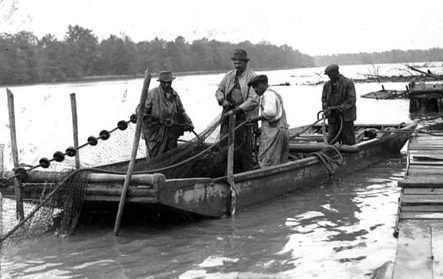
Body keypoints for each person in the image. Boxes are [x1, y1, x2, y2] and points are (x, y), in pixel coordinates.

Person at [216, 48, 259, 171]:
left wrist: (238, 109)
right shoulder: (229, 75)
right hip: (228, 114)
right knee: (224, 142)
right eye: (235, 63)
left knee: (244, 145)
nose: (237, 65)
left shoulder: (252, 77)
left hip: (244, 117)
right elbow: (219, 90)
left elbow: (253, 99)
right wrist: (222, 100)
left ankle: (243, 170)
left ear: (246, 63)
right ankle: (224, 169)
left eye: (239, 63)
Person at [140, 70, 194, 159]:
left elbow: (182, 112)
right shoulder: (152, 94)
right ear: (160, 82)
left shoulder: (175, 95)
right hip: (155, 134)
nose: (167, 85)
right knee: (155, 157)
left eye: (169, 83)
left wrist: (189, 123)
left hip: (171, 133)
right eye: (164, 83)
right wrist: (157, 120)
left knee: (171, 156)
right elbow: (141, 111)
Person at [248, 75, 289, 167]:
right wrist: (262, 128)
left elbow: (270, 113)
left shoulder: (268, 94)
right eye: (253, 87)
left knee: (268, 161)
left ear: (264, 84)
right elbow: (276, 116)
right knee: (281, 162)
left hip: (274, 133)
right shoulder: (274, 93)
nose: (255, 89)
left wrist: (255, 119)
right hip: (282, 130)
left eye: (256, 86)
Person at [321, 64, 357, 145]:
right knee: (331, 140)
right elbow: (324, 99)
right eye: (328, 75)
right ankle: (331, 154)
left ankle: (350, 155)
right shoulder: (327, 85)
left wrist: (338, 108)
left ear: (336, 72)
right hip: (332, 118)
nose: (329, 76)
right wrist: (326, 108)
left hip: (346, 118)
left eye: (330, 74)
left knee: (348, 141)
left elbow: (351, 100)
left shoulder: (348, 83)